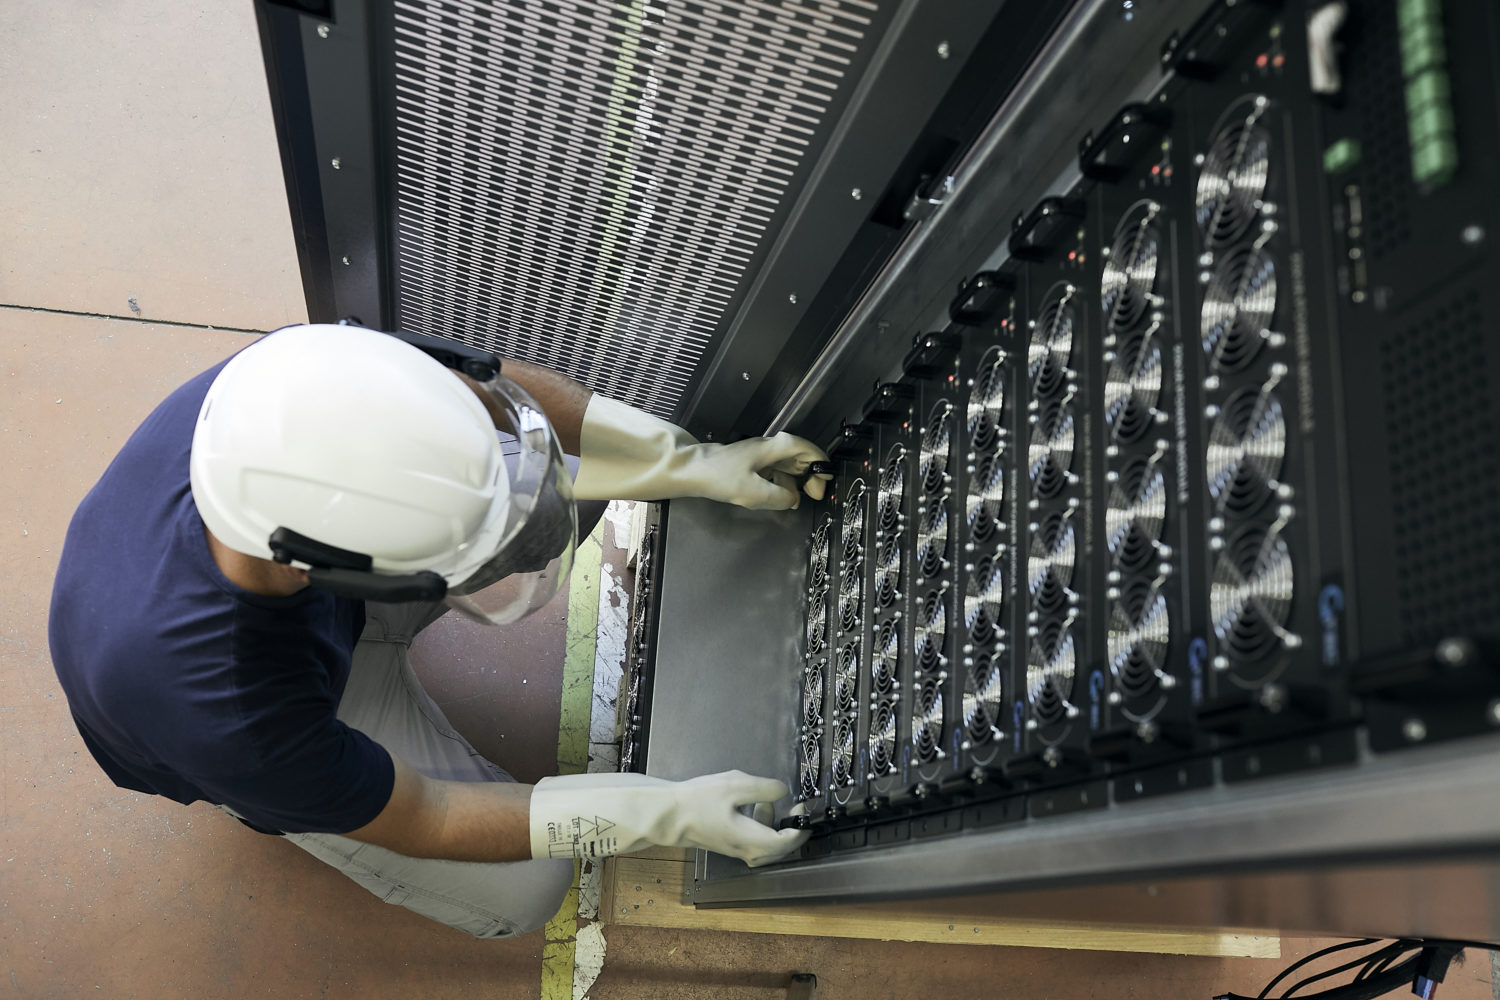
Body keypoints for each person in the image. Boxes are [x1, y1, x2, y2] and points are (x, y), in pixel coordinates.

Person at [48, 323, 831, 938]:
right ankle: (274, 810)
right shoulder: (232, 719)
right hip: (276, 719)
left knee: (541, 489)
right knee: (528, 889)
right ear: (329, 572)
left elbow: (492, 395)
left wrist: (689, 461)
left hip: (297, 628)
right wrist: (663, 813)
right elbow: (427, 817)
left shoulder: (304, 383)